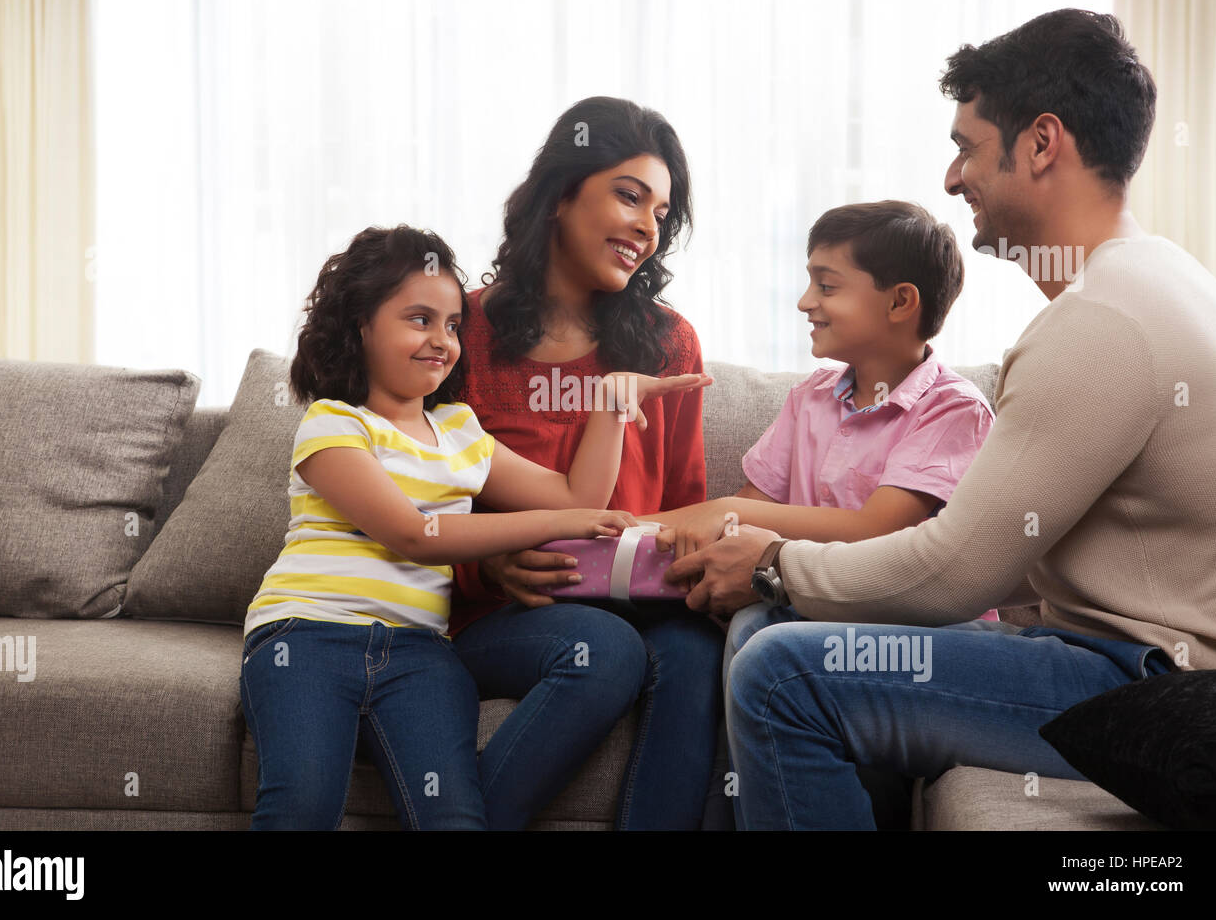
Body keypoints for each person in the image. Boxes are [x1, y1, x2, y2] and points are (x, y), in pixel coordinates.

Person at [667, 8, 1216, 829]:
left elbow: (955, 573)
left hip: (1147, 682)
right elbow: (997, 554)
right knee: (781, 641)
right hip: (1141, 658)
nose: (951, 178)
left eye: (968, 147)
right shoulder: (1165, 280)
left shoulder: (1102, 322)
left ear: (1042, 144)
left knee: (781, 674)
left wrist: (773, 565)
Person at [240, 223, 706, 830]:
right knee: (301, 806)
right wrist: (562, 521)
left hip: (419, 650)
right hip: (305, 636)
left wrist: (611, 406)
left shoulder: (460, 430)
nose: (442, 340)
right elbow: (413, 534)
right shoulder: (333, 424)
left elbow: (577, 494)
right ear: (360, 324)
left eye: (453, 324)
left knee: (456, 819)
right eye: (418, 319)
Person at [648, 199, 996, 829]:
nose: (806, 300)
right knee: (741, 628)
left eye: (826, 285)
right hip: (816, 607)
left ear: (900, 302)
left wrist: (728, 511)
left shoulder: (953, 410)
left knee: (762, 633)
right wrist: (653, 527)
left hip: (927, 629)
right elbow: (757, 505)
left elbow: (878, 530)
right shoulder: (811, 397)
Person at [448, 95, 727, 830]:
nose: (646, 225)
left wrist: (682, 551)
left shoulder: (670, 347)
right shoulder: (460, 336)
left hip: (638, 601)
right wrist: (491, 566)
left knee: (700, 655)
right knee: (598, 646)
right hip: (505, 611)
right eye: (628, 195)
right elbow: (410, 500)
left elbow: (682, 500)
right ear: (560, 195)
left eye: (662, 214)